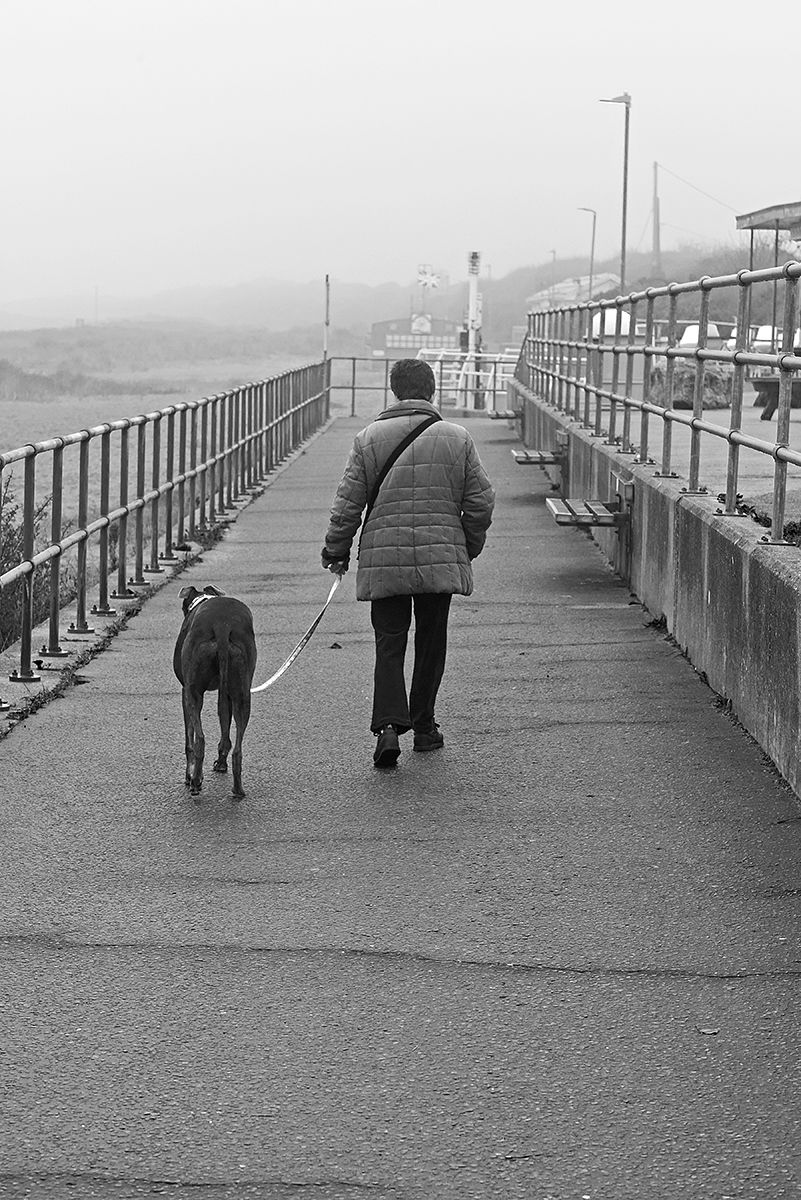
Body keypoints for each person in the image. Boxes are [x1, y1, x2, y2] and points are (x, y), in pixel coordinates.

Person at [321, 358, 495, 769]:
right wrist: (465, 546)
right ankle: (425, 727)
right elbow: (481, 502)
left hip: (386, 559)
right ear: (432, 389)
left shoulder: (368, 438)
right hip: (440, 556)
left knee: (389, 642)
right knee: (431, 641)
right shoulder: (457, 437)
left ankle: (386, 728)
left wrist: (336, 550)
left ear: (395, 390)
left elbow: (347, 504)